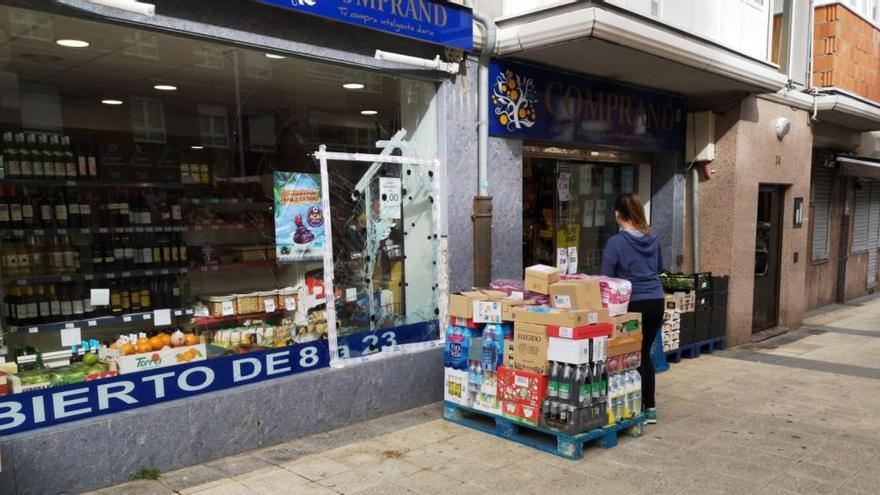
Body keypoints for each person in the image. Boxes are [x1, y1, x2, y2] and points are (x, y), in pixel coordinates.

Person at [601, 193, 664, 424]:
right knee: (644, 352)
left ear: (618, 215)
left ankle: (632, 406)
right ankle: (650, 408)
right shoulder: (654, 236)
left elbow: (606, 278)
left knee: (626, 354)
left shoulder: (616, 242)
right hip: (656, 300)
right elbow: (660, 266)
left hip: (631, 303)